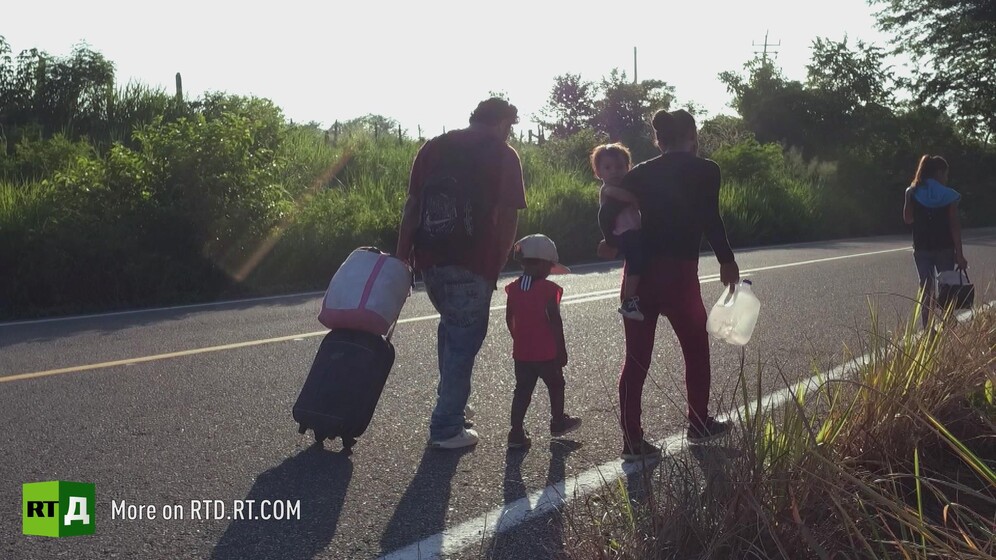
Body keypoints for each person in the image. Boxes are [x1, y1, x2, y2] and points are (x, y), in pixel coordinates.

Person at [599, 109, 740, 462]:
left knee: (636, 359)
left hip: (640, 274)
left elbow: (609, 205)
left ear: (658, 140)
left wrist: (611, 240)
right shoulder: (706, 170)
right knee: (695, 349)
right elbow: (711, 218)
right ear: (692, 136)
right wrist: (726, 259)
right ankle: (699, 422)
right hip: (679, 274)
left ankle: (632, 441)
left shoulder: (639, 174)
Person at [395, 97, 526, 449]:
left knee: (451, 331)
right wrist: (497, 261)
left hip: (430, 259)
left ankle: (452, 405)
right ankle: (446, 425)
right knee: (463, 342)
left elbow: (412, 206)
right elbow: (509, 215)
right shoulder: (503, 154)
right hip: (472, 260)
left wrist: (402, 258)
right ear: (503, 123)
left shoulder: (433, 148)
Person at [503, 234, 583, 449]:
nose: (549, 271)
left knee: (522, 391)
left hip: (522, 353)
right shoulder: (548, 290)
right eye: (548, 266)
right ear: (540, 264)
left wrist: (518, 337)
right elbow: (555, 321)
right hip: (547, 353)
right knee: (556, 385)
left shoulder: (513, 289)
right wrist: (561, 350)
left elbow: (509, 318)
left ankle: (516, 432)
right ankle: (558, 422)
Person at [903, 154, 968, 328]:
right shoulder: (949, 195)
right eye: (946, 174)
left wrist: (911, 201)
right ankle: (947, 325)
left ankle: (928, 329)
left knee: (926, 288)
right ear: (939, 172)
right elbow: (954, 226)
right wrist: (960, 254)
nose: (946, 178)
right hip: (945, 247)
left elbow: (908, 219)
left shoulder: (912, 192)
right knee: (946, 286)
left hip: (921, 247)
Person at [591, 143, 647, 321]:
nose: (614, 171)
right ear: (598, 172)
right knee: (636, 263)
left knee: (646, 261)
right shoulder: (607, 189)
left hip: (634, 231)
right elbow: (623, 196)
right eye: (608, 168)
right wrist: (634, 198)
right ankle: (629, 300)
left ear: (628, 168)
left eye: (619, 167)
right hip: (623, 233)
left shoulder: (626, 185)